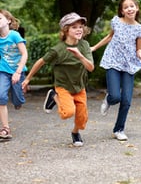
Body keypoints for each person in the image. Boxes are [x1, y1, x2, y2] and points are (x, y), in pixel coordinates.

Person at [22, 13, 94, 146]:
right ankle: (54, 96)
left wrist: (80, 56)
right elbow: (41, 62)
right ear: (66, 30)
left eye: (80, 26)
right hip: (63, 86)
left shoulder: (84, 45)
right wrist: (27, 79)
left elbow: (90, 68)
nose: (79, 29)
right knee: (67, 113)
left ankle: (75, 133)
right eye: (74, 27)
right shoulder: (58, 50)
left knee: (82, 117)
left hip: (79, 86)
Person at [90, 0, 141, 141]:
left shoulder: (140, 29)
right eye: (126, 7)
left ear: (137, 8)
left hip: (129, 64)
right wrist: (95, 47)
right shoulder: (116, 21)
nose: (129, 9)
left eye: (132, 6)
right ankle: (109, 100)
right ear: (122, 11)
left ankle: (119, 129)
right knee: (115, 96)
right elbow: (109, 37)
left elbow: (138, 49)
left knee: (126, 100)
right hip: (113, 61)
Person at [0, 9, 28, 140]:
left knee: (18, 99)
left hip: (18, 70)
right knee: (1, 96)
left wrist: (18, 72)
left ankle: (19, 99)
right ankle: (5, 128)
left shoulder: (14, 35)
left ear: (8, 21)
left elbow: (24, 54)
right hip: (3, 70)